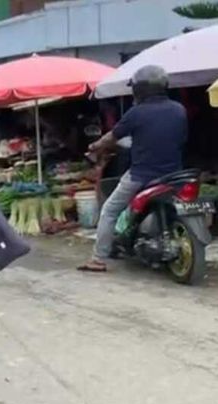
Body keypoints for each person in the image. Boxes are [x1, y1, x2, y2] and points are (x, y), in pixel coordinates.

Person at [79, 65, 188, 273]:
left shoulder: (136, 113)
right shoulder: (178, 109)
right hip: (174, 175)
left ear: (140, 89)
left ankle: (98, 258)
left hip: (141, 175)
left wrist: (94, 146)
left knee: (109, 210)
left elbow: (112, 137)